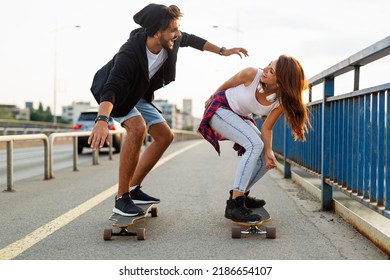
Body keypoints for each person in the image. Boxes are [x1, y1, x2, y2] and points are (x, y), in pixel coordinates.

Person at [88, 3, 249, 217]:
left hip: (138, 95)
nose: (177, 34)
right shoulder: (129, 54)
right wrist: (102, 120)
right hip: (119, 95)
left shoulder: (172, 40)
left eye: (177, 28)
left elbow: (192, 40)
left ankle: (134, 189)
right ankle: (122, 198)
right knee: (137, 128)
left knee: (165, 136)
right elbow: (112, 87)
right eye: (173, 30)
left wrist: (223, 51)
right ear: (157, 33)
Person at [198, 54, 311, 222]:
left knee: (265, 155)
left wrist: (269, 152)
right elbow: (226, 85)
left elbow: (267, 127)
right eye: (268, 64)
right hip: (219, 109)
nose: (264, 70)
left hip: (240, 117)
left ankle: (240, 195)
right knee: (255, 144)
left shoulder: (281, 100)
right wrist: (211, 97)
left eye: (271, 70)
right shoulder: (251, 74)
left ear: (280, 82)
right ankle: (235, 205)